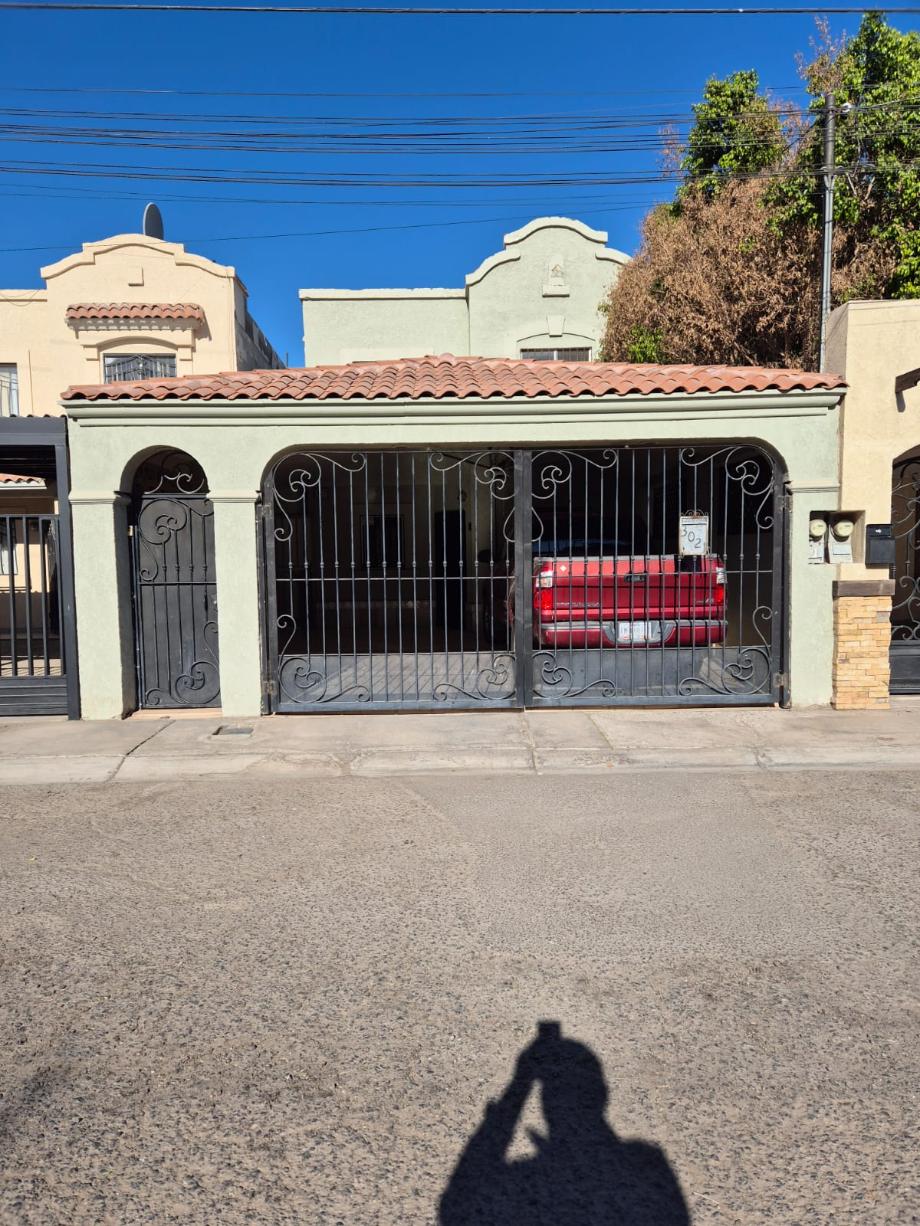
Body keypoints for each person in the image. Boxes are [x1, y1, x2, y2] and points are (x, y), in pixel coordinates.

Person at [439, 1022, 690, 1225]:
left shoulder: (523, 1182)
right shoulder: (646, 1162)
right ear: (601, 1093)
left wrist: (520, 1085)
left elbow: (462, 1196)